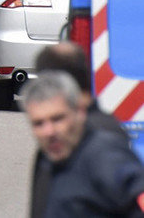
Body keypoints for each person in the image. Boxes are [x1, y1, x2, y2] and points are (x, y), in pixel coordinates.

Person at [22, 71, 144, 217]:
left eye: (57, 119)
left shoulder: (105, 156)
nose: (49, 132)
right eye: (38, 124)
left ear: (80, 111)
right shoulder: (50, 160)